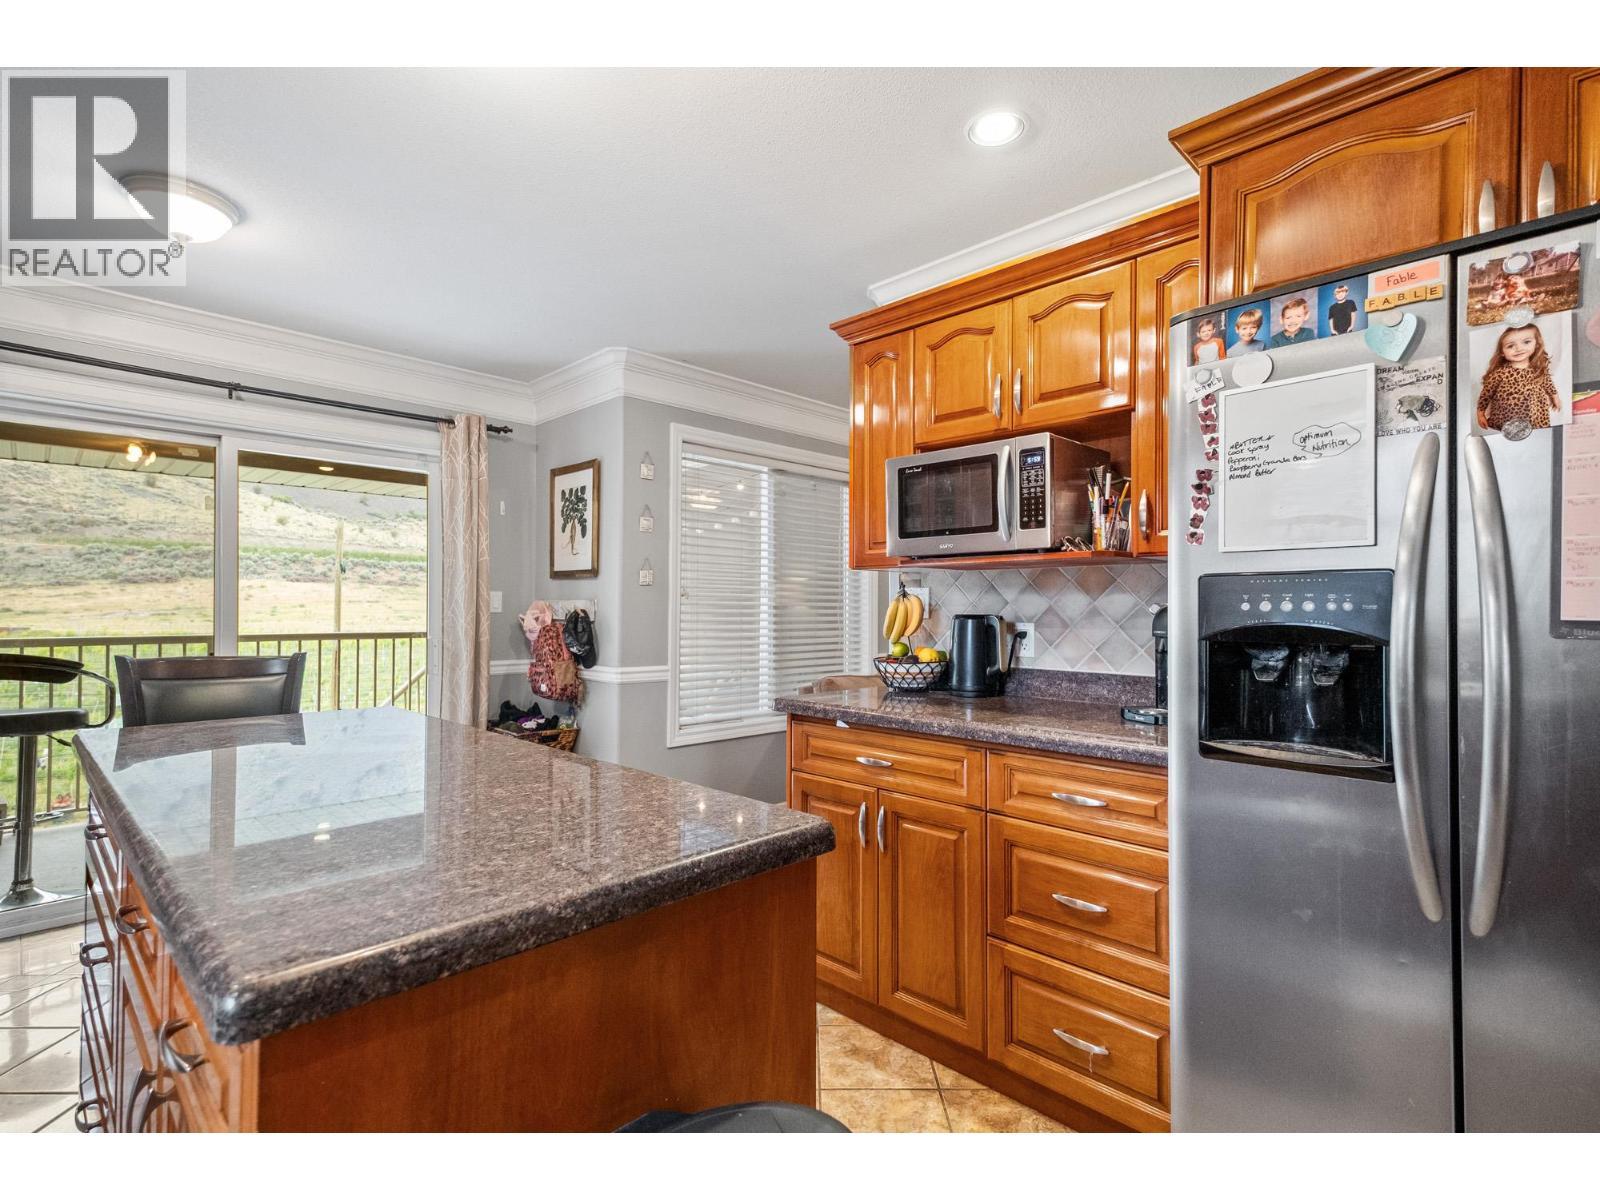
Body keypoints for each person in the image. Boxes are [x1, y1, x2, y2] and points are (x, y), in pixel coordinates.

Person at [1476, 323, 1560, 431]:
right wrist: (1480, 413)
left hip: (1536, 417)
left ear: (1537, 344)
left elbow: (1547, 383)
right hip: (1506, 419)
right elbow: (1486, 394)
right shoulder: (1499, 373)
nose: (1519, 348)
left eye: (1526, 342)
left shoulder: (1538, 369)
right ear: (1502, 352)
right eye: (1510, 346)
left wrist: (1555, 397)